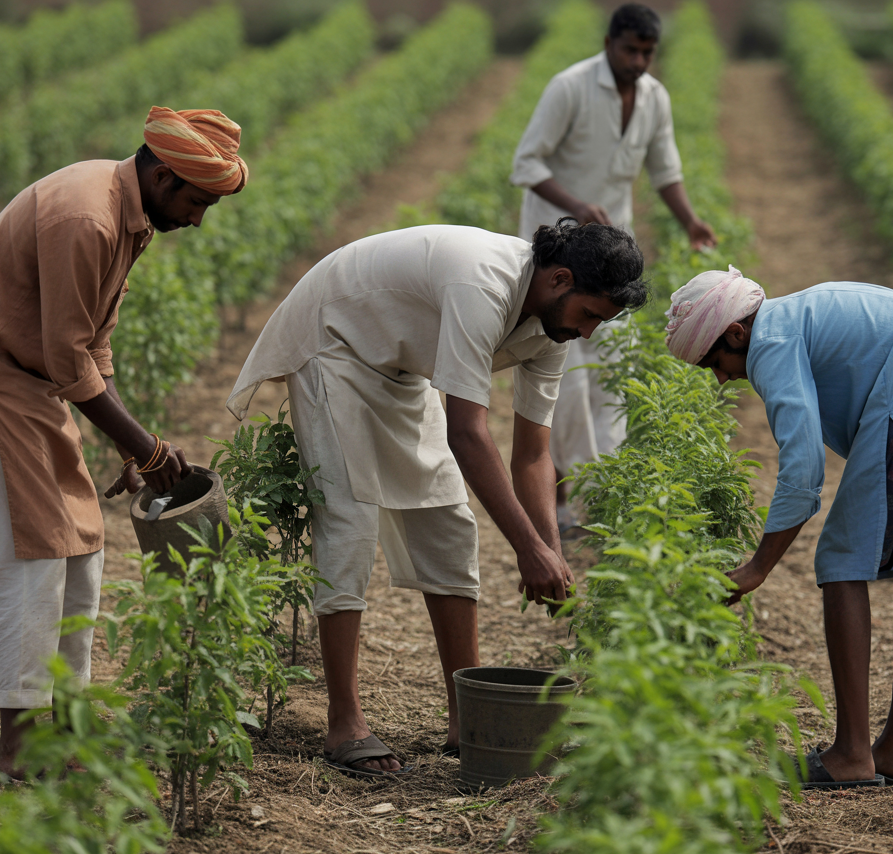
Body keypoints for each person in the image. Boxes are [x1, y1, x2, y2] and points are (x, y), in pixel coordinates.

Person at [228, 219, 647, 777]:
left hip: (400, 365)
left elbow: (532, 454)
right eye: (591, 314)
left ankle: (465, 716)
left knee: (449, 525)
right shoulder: (484, 286)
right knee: (349, 523)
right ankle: (343, 721)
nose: (591, 332)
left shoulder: (554, 328)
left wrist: (550, 549)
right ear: (559, 279)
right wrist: (526, 547)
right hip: (336, 339)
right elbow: (467, 433)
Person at [0, 106, 249, 779]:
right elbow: (69, 357)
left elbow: (94, 342)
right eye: (196, 202)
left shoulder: (129, 217)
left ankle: (66, 722)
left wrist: (133, 448)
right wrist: (149, 449)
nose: (197, 219)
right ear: (161, 175)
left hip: (34, 381)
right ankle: (17, 747)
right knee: (28, 556)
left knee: (81, 547)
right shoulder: (86, 217)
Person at [663, 268, 893, 788]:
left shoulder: (770, 339)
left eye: (716, 362)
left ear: (736, 333)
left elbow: (802, 469)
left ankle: (850, 755)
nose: (722, 377)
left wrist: (757, 568)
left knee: (841, 562)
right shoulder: (793, 316)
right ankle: (892, 750)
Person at [511, 3, 717, 530]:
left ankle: (606, 496)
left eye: (648, 52)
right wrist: (577, 208)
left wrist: (691, 222)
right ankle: (565, 500)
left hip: (613, 262)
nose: (640, 61)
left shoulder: (654, 98)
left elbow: (665, 170)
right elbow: (527, 163)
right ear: (609, 43)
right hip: (561, 263)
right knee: (566, 378)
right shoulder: (570, 87)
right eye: (631, 50)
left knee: (616, 373)